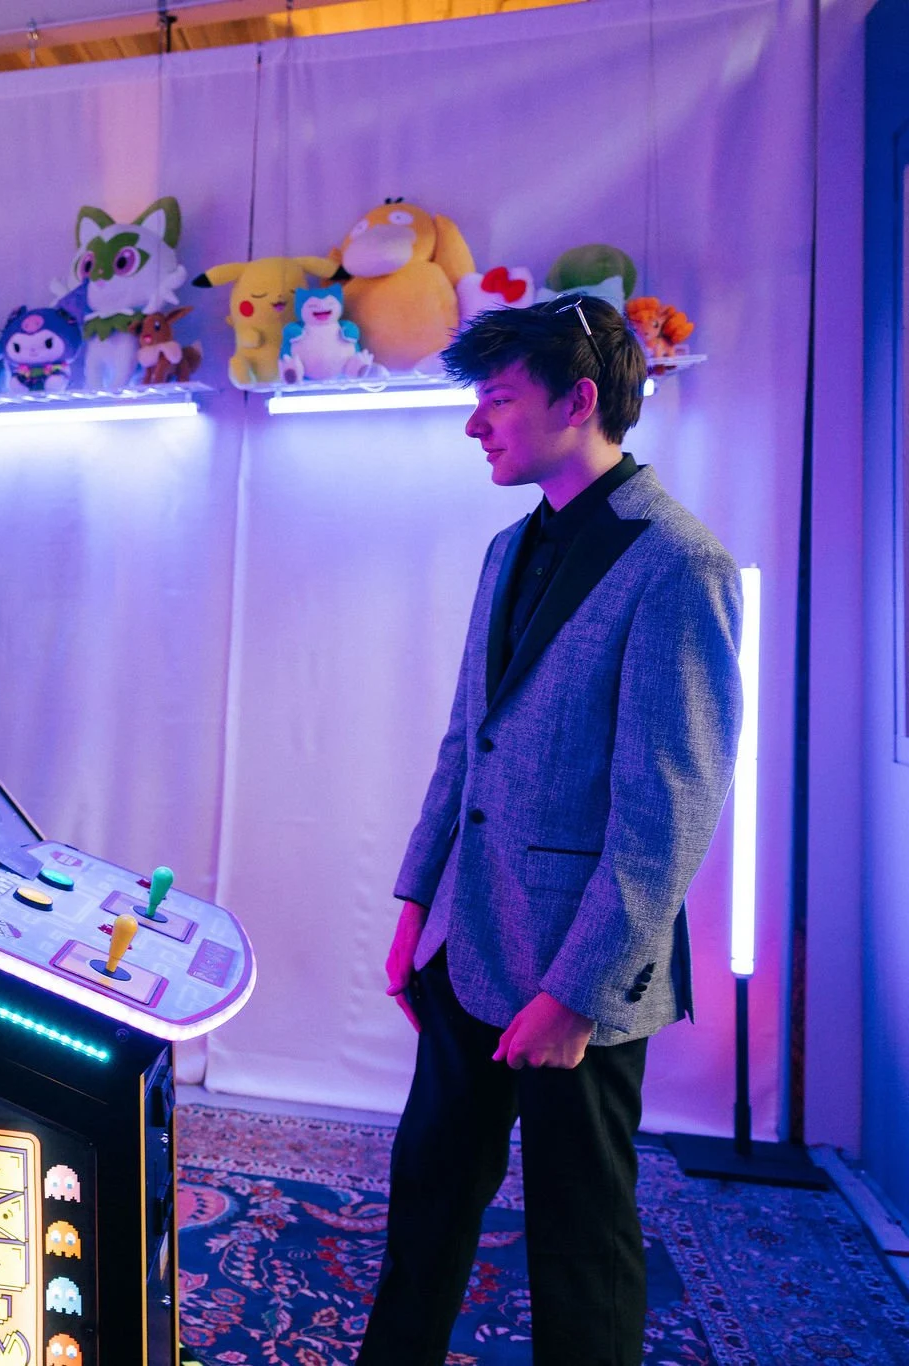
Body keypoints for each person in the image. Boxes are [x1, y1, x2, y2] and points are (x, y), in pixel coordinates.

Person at [361, 296, 743, 1365]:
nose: (473, 423)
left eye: (495, 398)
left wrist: (575, 992)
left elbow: (667, 811)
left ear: (578, 402)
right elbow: (464, 743)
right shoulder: (505, 547)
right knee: (425, 1199)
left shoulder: (680, 563)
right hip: (462, 939)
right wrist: (414, 906)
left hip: (579, 968)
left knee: (580, 1240)